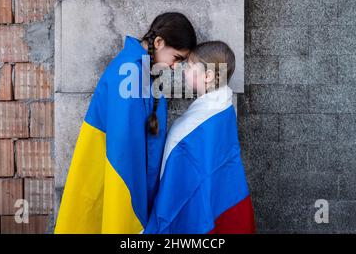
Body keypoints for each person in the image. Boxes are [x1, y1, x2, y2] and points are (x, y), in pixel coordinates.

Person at [54, 13, 197, 233]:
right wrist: (131, 219)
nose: (176, 67)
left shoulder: (139, 70)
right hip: (122, 188)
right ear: (158, 42)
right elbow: (122, 155)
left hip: (127, 184)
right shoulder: (130, 74)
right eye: (177, 58)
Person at [145, 41, 256, 234]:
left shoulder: (207, 119)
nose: (183, 70)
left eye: (189, 66)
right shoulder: (223, 108)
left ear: (208, 76)